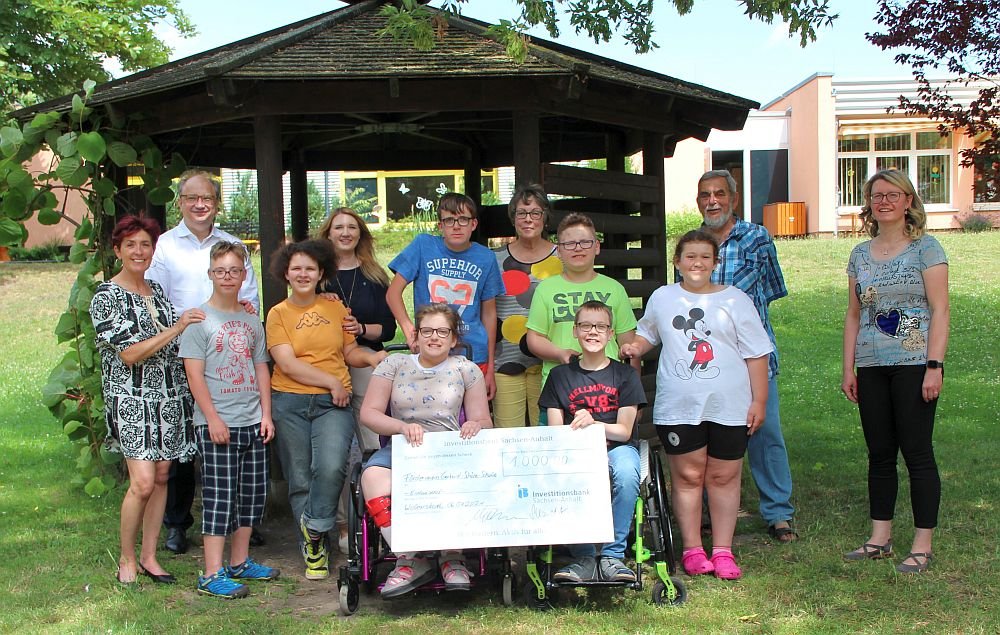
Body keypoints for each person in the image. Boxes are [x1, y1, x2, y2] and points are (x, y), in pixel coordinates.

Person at [622, 230, 772, 580]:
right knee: (688, 477)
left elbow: (757, 353)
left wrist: (759, 400)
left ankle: (722, 551)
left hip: (730, 405)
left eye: (705, 256)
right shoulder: (663, 297)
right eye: (690, 256)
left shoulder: (736, 300)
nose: (697, 263)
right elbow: (647, 334)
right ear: (677, 262)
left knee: (724, 476)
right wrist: (634, 349)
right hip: (679, 406)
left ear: (715, 263)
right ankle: (691, 550)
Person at [147, 169, 261, 555]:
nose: (200, 205)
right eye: (192, 198)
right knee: (184, 443)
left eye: (207, 199)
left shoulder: (232, 245)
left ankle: (242, 523)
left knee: (236, 432)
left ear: (216, 203)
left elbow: (250, 297)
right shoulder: (164, 246)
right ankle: (178, 523)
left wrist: (245, 310)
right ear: (180, 202)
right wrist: (180, 328)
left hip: (229, 355)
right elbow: (155, 299)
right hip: (182, 354)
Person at [841, 169, 949, 574]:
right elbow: (854, 315)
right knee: (879, 455)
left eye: (892, 194)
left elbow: (940, 309)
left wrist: (934, 366)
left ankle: (923, 544)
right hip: (871, 365)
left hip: (914, 363)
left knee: (917, 454)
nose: (883, 201)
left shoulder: (926, 249)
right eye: (876, 195)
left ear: (908, 201)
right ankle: (879, 538)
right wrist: (848, 367)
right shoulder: (859, 255)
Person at [90, 215, 205, 585]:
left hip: (170, 397)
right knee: (141, 482)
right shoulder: (106, 297)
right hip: (131, 400)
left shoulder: (156, 291)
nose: (139, 252)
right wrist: (177, 327)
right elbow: (129, 354)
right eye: (131, 245)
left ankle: (150, 556)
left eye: (145, 245)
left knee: (160, 476)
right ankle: (126, 557)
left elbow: (183, 337)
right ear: (117, 250)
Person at [266, 239, 386, 581]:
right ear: (286, 274)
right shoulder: (278, 314)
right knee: (301, 477)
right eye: (296, 268)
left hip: (333, 404)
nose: (303, 274)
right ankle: (314, 550)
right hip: (290, 400)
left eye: (310, 268)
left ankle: (315, 530)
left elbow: (350, 353)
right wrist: (331, 382)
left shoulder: (336, 308)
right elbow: (287, 363)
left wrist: (373, 357)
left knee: (332, 467)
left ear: (321, 274)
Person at [691, 169, 797, 542]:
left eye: (720, 193)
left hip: (752, 357)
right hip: (706, 360)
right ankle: (706, 511)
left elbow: (770, 291)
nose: (712, 201)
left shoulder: (757, 238)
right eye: (705, 195)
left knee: (765, 433)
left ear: (733, 198)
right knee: (705, 434)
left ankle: (778, 513)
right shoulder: (694, 244)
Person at [359, 304, 492, 598]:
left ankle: (451, 555)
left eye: (442, 331)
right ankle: (409, 555)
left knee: (460, 479)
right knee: (373, 478)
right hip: (403, 444)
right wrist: (400, 427)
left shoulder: (466, 370)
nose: (435, 337)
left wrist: (474, 425)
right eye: (427, 331)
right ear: (416, 336)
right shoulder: (394, 365)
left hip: (447, 448)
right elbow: (369, 413)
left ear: (453, 338)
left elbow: (484, 420)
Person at [179, 241, 280, 598]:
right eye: (220, 270)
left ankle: (240, 561)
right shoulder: (199, 322)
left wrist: (266, 414)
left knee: (252, 496)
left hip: (252, 421)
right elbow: (195, 377)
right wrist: (211, 419)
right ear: (210, 274)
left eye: (234, 270)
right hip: (218, 424)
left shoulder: (252, 320)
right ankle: (211, 572)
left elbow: (260, 369)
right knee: (220, 498)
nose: (227, 277)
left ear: (243, 274)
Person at [539, 301, 646, 583]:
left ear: (610, 334)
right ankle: (583, 556)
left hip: (617, 448)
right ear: (575, 331)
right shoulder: (559, 376)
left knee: (625, 472)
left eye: (600, 326)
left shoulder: (625, 376)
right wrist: (579, 437)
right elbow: (556, 432)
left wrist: (594, 424)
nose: (592, 332)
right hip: (575, 449)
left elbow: (624, 431)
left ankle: (613, 555)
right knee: (565, 474)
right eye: (586, 325)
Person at [315, 207, 396, 552]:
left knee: (368, 444)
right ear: (328, 234)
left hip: (366, 362)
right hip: (325, 365)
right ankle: (340, 524)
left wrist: (361, 329)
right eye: (339, 228)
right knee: (333, 449)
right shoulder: (316, 273)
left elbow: (388, 329)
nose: (345, 233)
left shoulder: (375, 275)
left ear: (360, 234)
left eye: (352, 227)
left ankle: (374, 521)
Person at [386, 192, 505, 399]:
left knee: (471, 418)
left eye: (463, 219)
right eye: (449, 220)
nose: (456, 226)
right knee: (430, 412)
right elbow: (393, 293)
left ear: (474, 224)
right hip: (430, 348)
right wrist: (409, 330)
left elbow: (489, 314)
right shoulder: (423, 246)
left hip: (472, 352)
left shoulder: (486, 257)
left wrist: (490, 368)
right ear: (440, 226)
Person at [526, 212, 638, 425]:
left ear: (597, 247)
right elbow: (534, 338)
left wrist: (633, 395)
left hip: (609, 394)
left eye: (585, 242)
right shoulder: (546, 289)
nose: (578, 248)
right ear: (558, 251)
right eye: (569, 244)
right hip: (559, 394)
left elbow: (629, 346)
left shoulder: (614, 289)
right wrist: (559, 353)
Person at [493, 185, 562, 427]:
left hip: (549, 361)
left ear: (545, 217)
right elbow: (487, 310)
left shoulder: (563, 256)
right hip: (504, 360)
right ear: (513, 218)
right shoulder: (495, 259)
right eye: (521, 213)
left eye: (535, 212)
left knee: (546, 436)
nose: (528, 219)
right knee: (507, 436)